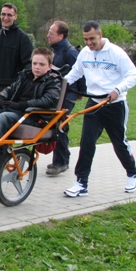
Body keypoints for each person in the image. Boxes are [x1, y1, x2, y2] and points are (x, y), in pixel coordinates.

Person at [63, 21, 136, 198]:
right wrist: (61, 84)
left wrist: (117, 90)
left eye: (92, 38)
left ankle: (132, 173)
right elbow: (75, 72)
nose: (89, 43)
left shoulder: (116, 53)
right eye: (85, 39)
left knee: (119, 143)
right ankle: (81, 183)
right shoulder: (85, 52)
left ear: (100, 34)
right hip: (94, 103)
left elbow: (133, 75)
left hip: (115, 105)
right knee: (87, 143)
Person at [0, 47, 62, 170]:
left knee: (4, 117)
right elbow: (10, 89)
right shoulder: (25, 76)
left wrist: (23, 105)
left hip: (35, 117)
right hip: (17, 113)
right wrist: (1, 98)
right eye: (34, 63)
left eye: (41, 64)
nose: (37, 67)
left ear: (49, 66)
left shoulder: (53, 81)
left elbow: (49, 100)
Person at [45, 20, 80, 176]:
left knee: (59, 126)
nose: (48, 35)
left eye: (51, 33)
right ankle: (62, 158)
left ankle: (61, 162)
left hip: (67, 96)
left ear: (61, 35)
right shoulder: (53, 51)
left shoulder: (70, 52)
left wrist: (78, 93)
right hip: (56, 95)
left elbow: (81, 73)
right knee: (57, 126)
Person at [0, 3, 34, 93]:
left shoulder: (22, 37)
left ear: (15, 17)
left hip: (12, 86)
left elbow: (28, 63)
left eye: (9, 15)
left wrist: (20, 83)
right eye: (3, 14)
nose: (5, 18)